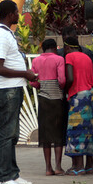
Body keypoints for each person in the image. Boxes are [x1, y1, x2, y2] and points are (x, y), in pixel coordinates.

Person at [0, 0, 38, 184]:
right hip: (6, 90)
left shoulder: (6, 34)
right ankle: (2, 179)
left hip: (12, 89)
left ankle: (12, 174)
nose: (19, 15)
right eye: (17, 12)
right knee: (6, 134)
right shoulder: (2, 36)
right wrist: (25, 73)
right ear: (10, 14)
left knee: (12, 134)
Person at [63, 36, 93, 175]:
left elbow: (70, 78)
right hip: (91, 94)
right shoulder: (87, 57)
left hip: (78, 95)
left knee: (76, 130)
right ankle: (90, 164)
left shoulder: (70, 57)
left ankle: (78, 166)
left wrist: (65, 90)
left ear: (67, 47)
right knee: (90, 129)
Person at [30, 39, 66, 176]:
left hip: (43, 99)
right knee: (57, 134)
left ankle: (48, 168)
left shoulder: (36, 61)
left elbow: (33, 82)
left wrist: (41, 85)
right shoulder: (59, 59)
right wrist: (60, 87)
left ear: (43, 48)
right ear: (54, 48)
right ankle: (58, 166)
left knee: (45, 135)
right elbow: (62, 80)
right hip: (56, 98)